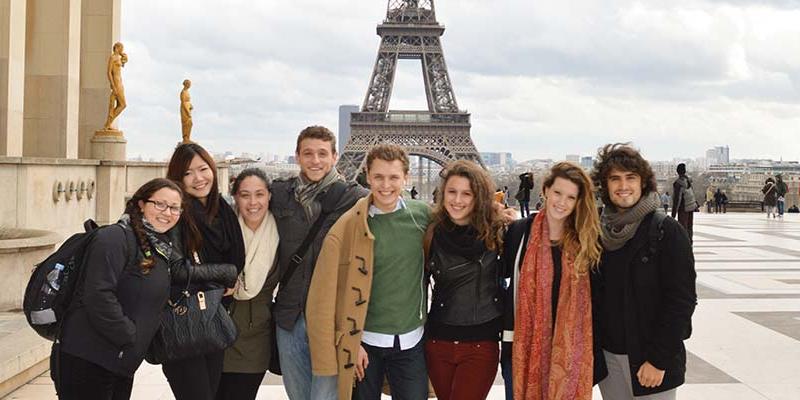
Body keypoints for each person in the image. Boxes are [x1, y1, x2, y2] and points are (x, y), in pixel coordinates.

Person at [307, 144, 431, 400]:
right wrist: (352, 342)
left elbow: (460, 222)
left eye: (394, 177)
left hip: (410, 341)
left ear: (406, 178)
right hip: (365, 345)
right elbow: (329, 290)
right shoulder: (349, 225)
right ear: (367, 176)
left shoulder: (422, 216)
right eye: (378, 177)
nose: (386, 185)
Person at [55, 178, 184, 400]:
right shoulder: (114, 237)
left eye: (174, 208)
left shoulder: (159, 247)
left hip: (120, 362)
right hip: (89, 359)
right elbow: (98, 295)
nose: (167, 212)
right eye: (160, 204)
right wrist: (130, 336)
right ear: (141, 204)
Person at [591, 144, 697, 400]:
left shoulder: (667, 232)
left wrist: (658, 360)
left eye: (630, 178)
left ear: (643, 183)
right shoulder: (597, 232)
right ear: (605, 186)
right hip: (609, 358)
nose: (623, 186)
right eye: (615, 179)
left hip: (651, 359)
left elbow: (681, 302)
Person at [270, 126, 367, 400]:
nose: (315, 160)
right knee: (298, 395)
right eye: (308, 153)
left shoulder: (356, 198)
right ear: (297, 156)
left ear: (335, 156)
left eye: (322, 154)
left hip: (331, 318)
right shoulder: (279, 195)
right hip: (291, 314)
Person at [502, 162, 602, 400]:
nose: (562, 202)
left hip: (571, 351)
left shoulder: (588, 239)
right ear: (545, 190)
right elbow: (501, 282)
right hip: (522, 348)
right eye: (557, 193)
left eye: (571, 197)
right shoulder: (519, 232)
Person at [163, 143, 246, 400]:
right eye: (188, 173)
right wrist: (227, 273)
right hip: (183, 322)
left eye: (203, 168)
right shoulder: (176, 214)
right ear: (178, 178)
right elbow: (176, 270)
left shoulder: (221, 210)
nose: (199, 178)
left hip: (212, 318)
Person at [424, 160, 505, 400]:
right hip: (438, 341)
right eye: (452, 192)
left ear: (477, 197)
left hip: (480, 343)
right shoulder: (430, 234)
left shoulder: (499, 232)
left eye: (466, 194)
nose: (457, 200)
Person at [216, 169, 280, 400]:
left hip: (255, 337)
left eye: (259, 194)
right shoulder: (221, 229)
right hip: (216, 332)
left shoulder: (282, 231)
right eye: (245, 195)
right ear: (235, 197)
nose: (253, 202)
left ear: (269, 196)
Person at [103, 42, 127, 130]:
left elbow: (123, 64)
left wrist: (124, 58)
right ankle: (108, 123)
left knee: (121, 104)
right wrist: (113, 85)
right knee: (123, 104)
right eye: (121, 48)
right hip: (116, 83)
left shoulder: (118, 58)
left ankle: (108, 123)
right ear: (117, 47)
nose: (122, 50)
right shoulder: (112, 57)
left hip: (120, 82)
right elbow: (109, 72)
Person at [671, 163, 698, 241]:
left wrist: (673, 213)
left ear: (677, 172)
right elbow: (692, 192)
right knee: (689, 226)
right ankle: (690, 242)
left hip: (683, 208)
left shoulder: (678, 183)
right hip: (691, 206)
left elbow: (677, 199)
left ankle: (684, 244)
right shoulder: (688, 180)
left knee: (682, 227)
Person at [180, 79, 194, 143]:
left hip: (188, 107)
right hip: (184, 109)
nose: (190, 85)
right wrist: (187, 111)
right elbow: (183, 102)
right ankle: (185, 137)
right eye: (189, 84)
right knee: (186, 123)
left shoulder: (187, 92)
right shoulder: (183, 92)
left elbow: (188, 101)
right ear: (186, 84)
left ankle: (188, 137)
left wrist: (190, 105)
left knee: (190, 123)